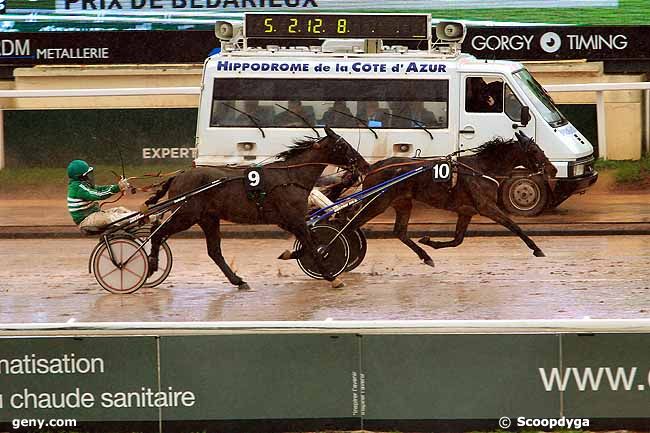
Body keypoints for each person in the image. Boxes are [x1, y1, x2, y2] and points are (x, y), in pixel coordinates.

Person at [66, 159, 134, 233]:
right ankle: (138, 218)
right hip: (86, 220)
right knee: (110, 218)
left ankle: (136, 219)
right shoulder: (78, 188)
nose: (90, 177)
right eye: (88, 175)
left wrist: (118, 186)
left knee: (120, 210)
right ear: (80, 177)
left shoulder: (84, 185)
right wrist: (117, 188)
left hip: (94, 215)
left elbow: (100, 189)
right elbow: (98, 195)